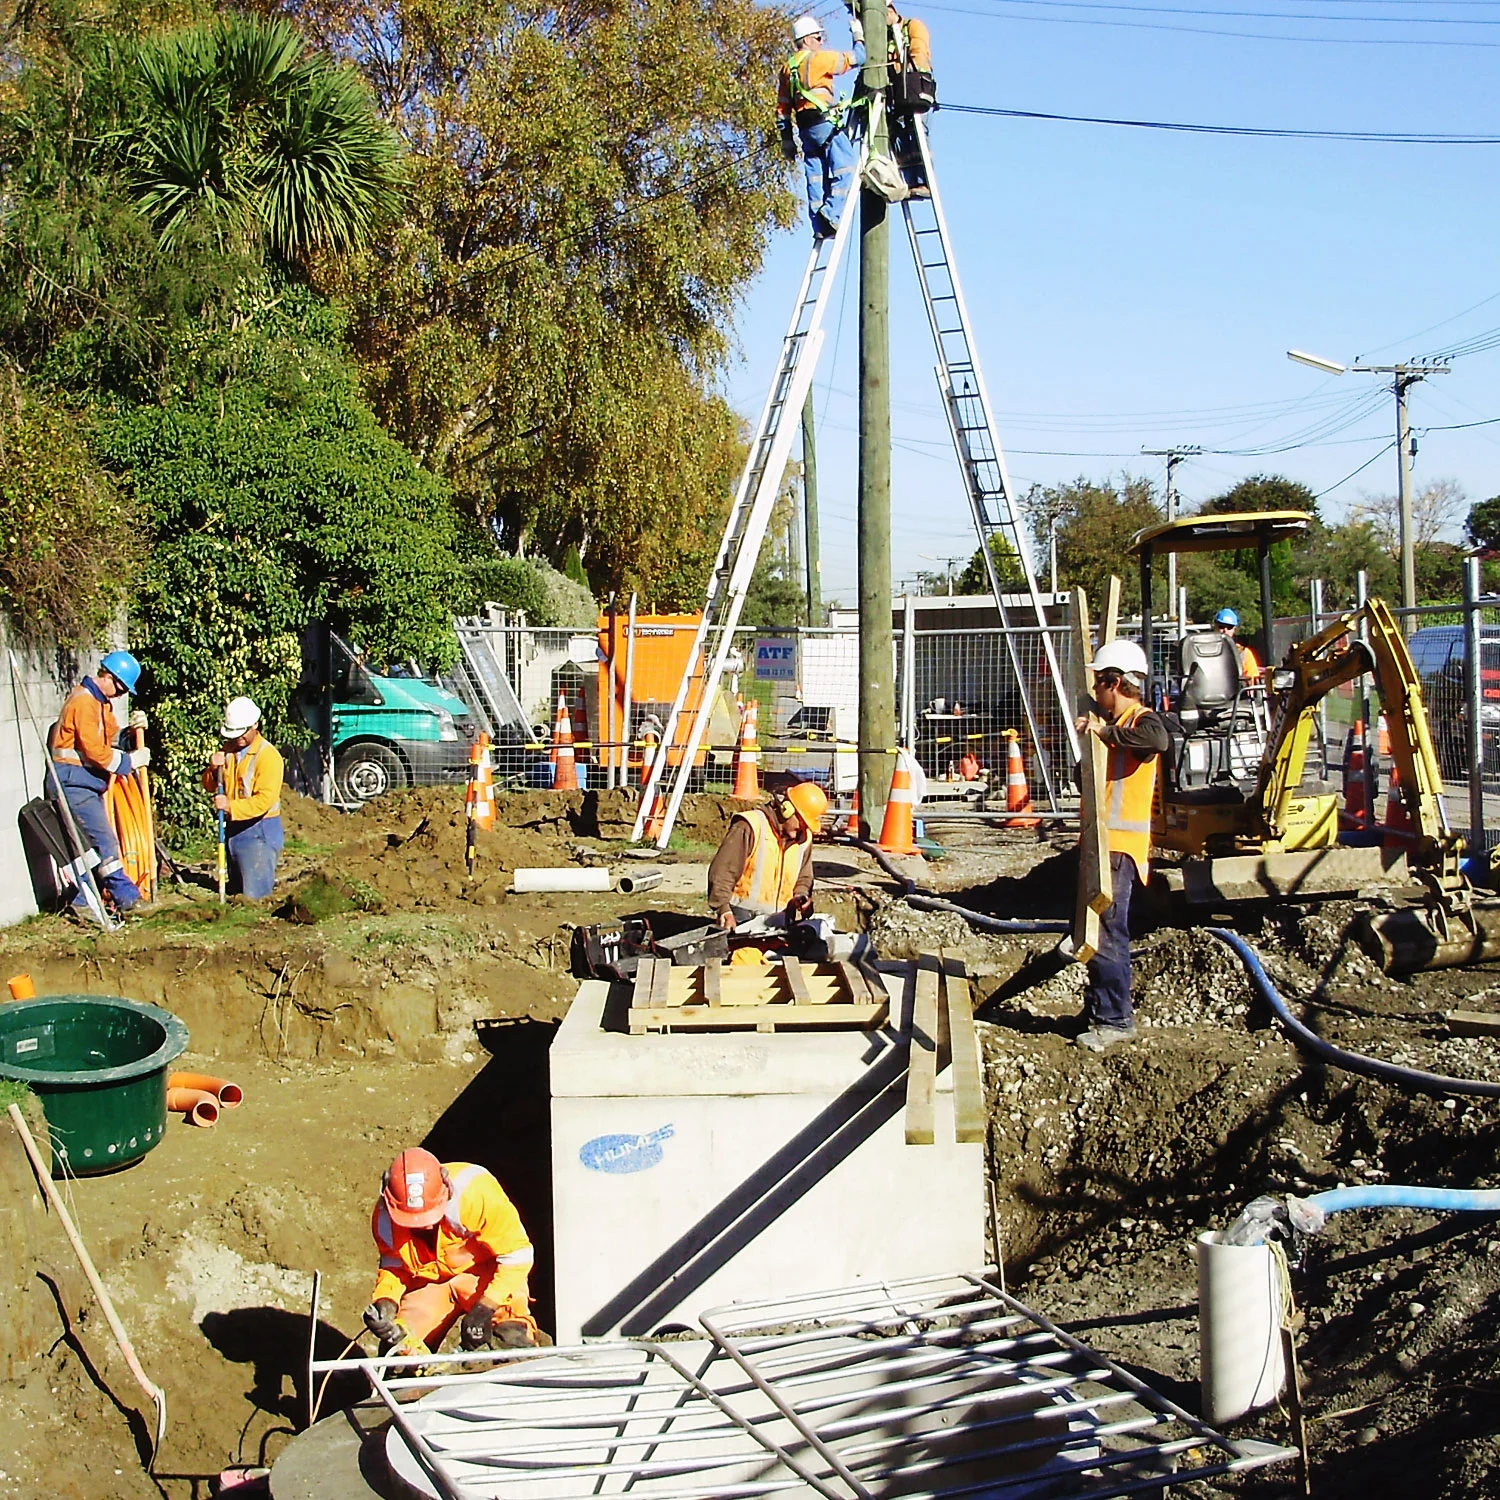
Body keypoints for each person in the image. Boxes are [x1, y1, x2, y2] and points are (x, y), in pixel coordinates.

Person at [1073, 640, 1168, 1052]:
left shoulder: (1141, 722)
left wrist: (1105, 732)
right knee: (1094, 930)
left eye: (1100, 683)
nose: (1096, 693)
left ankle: (1114, 1019)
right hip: (1101, 844)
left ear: (1115, 682)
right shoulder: (1115, 728)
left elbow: (1157, 739)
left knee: (1108, 932)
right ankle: (1099, 1009)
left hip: (1120, 847)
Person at [363, 1148, 540, 1357]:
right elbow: (394, 1264)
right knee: (399, 1354)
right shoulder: (385, 1218)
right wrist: (386, 1300)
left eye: (430, 1218)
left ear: (446, 1186)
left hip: (487, 1274)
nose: (425, 1227)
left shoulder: (475, 1194)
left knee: (511, 1340)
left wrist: (485, 1307)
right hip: (433, 1284)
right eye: (410, 1222)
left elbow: (517, 1256)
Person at [49, 651, 150, 915]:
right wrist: (130, 763)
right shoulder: (84, 702)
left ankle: (85, 899)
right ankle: (126, 897)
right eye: (121, 688)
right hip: (72, 782)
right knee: (104, 842)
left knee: (91, 845)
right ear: (109, 676)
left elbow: (110, 738)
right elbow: (95, 750)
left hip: (83, 783)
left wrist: (131, 734)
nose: (120, 695)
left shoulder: (100, 703)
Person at [778, 15, 865, 240]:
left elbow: (783, 108)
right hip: (824, 124)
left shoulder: (787, 69)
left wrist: (786, 140)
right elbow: (859, 58)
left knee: (815, 177)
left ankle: (818, 225)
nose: (820, 42)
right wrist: (858, 34)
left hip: (805, 130)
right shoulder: (819, 60)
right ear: (806, 40)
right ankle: (831, 213)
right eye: (818, 37)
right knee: (846, 168)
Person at [708, 781, 828, 930]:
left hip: (780, 922)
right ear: (787, 810)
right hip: (742, 918)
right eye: (802, 823)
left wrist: (801, 897)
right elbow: (723, 872)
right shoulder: (750, 826)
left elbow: (804, 877)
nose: (803, 829)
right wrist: (723, 910)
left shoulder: (804, 839)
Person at [202, 697, 285, 899]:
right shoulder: (229, 750)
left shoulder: (268, 756)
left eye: (242, 733)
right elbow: (209, 785)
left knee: (254, 896)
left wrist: (229, 806)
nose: (237, 739)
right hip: (234, 828)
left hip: (259, 830)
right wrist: (213, 769)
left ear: (255, 725)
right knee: (237, 891)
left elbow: (264, 800)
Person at [884, 3, 935, 195]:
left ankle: (924, 180)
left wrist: (906, 73)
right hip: (897, 93)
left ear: (891, 11)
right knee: (898, 135)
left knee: (917, 133)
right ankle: (911, 181)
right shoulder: (882, 38)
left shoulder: (912, 26)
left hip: (914, 88)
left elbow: (919, 53)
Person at [1214, 608, 1262, 686]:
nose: (1225, 630)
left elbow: (1253, 679)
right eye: (1221, 626)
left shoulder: (1244, 653)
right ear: (1215, 627)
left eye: (1229, 627)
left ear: (1234, 629)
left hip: (1238, 696)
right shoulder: (1203, 651)